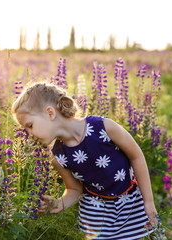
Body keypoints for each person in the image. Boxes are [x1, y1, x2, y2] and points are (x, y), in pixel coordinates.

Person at [12, 82, 159, 239]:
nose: (29, 134)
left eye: (30, 125)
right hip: (96, 212)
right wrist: (60, 203)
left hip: (129, 203)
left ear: (50, 113)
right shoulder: (58, 157)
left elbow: (136, 156)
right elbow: (75, 189)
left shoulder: (103, 127)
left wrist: (148, 201)